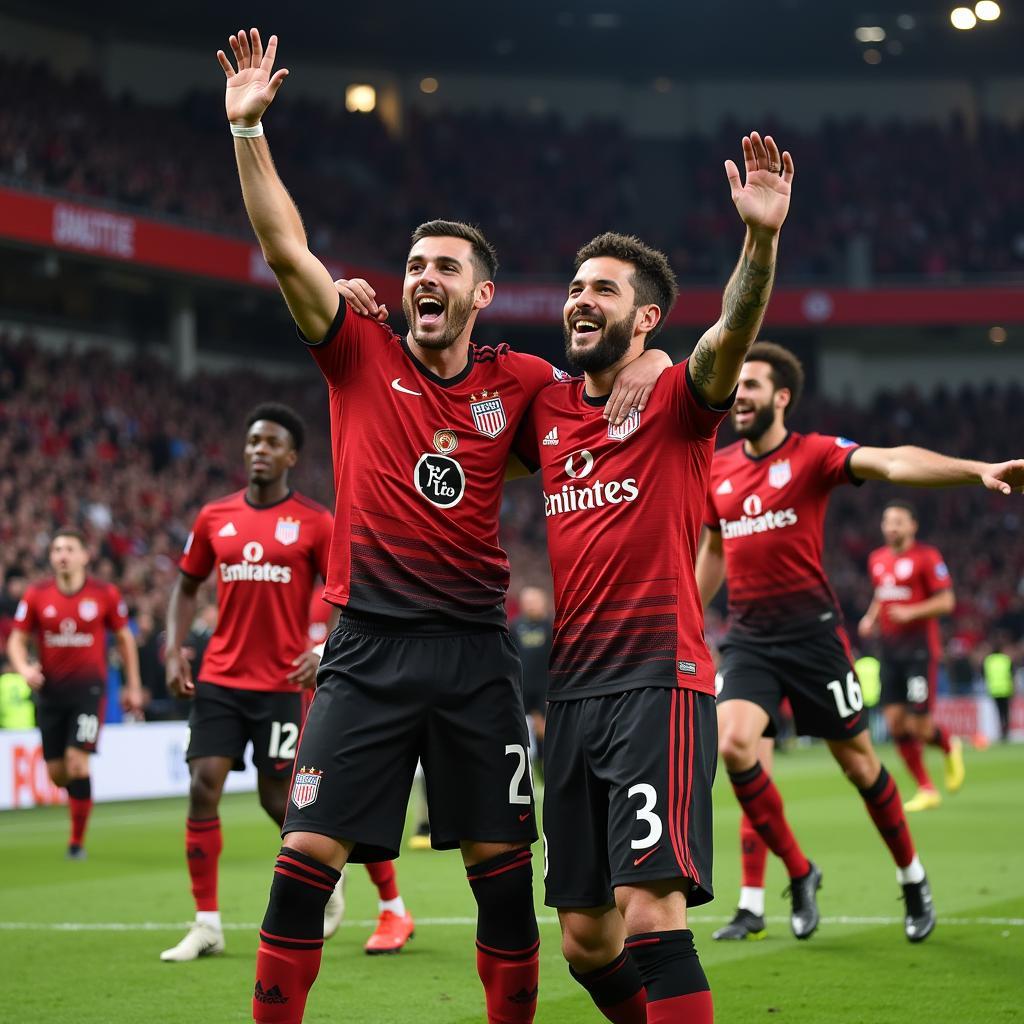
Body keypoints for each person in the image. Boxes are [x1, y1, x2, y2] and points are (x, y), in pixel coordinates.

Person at [216, 29, 666, 1024]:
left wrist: (659, 358)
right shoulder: (354, 348)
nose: (424, 276)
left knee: (503, 879)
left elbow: (621, 389)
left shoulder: (524, 386)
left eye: (445, 267)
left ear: (480, 291)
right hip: (365, 647)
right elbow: (284, 247)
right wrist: (248, 124)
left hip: (474, 657)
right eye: (416, 263)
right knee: (303, 864)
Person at [513, 129, 794, 1024]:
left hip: (655, 686)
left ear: (645, 320)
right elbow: (451, 395)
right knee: (584, 939)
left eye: (603, 289)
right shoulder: (549, 408)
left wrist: (760, 239)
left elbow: (729, 334)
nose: (579, 301)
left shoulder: (676, 401)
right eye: (574, 287)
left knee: (650, 916)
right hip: (573, 696)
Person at [697, 340, 1024, 944]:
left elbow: (895, 462)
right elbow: (714, 549)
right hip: (749, 641)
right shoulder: (717, 467)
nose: (739, 395)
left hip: (816, 641)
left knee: (859, 764)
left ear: (781, 397)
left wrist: (977, 471)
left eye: (752, 386)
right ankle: (800, 872)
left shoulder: (814, 455)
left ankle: (912, 876)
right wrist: (688, 611)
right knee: (736, 747)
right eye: (736, 386)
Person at [159, 404, 338, 963]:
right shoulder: (215, 517)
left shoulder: (315, 522)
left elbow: (344, 592)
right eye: (253, 441)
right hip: (219, 676)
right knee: (202, 784)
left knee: (276, 797)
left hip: (282, 681)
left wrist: (322, 650)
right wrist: (173, 647)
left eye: (271, 442)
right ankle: (206, 923)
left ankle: (326, 870)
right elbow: (186, 587)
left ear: (291, 456)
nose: (258, 449)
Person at [7, 527, 143, 857]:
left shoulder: (104, 594)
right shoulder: (37, 594)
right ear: (51, 557)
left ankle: (76, 842)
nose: (62, 555)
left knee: (77, 763)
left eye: (69, 549)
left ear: (85, 555)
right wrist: (24, 668)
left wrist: (133, 685)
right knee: (57, 775)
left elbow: (124, 639)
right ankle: (79, 798)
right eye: (56, 550)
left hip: (89, 691)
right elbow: (17, 640)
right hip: (50, 693)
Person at [306, 596, 416, 954]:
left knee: (355, 804)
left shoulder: (352, 581)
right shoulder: (298, 595)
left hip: (352, 702)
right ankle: (334, 884)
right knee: (288, 803)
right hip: (297, 701)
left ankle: (392, 908)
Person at [858, 501, 964, 811]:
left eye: (899, 521)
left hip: (919, 650)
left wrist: (911, 612)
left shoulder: (927, 557)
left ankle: (948, 743)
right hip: (889, 651)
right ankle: (926, 788)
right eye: (887, 521)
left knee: (919, 727)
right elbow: (882, 594)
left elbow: (946, 601)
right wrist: (870, 617)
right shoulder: (876, 559)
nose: (892, 527)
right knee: (894, 724)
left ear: (912, 526)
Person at [510, 586, 553, 774]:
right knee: (518, 728)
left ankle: (545, 768)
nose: (531, 605)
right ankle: (520, 770)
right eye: (527, 601)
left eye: (534, 601)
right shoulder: (515, 626)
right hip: (520, 687)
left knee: (544, 729)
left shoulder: (551, 626)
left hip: (543, 687)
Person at [983, 637, 1016, 742]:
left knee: (998, 712)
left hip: (994, 690)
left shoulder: (988, 660)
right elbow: (1012, 674)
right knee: (1006, 711)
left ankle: (1001, 731)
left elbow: (983, 675)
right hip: (1006, 689)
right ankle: (1006, 731)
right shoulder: (1006, 659)